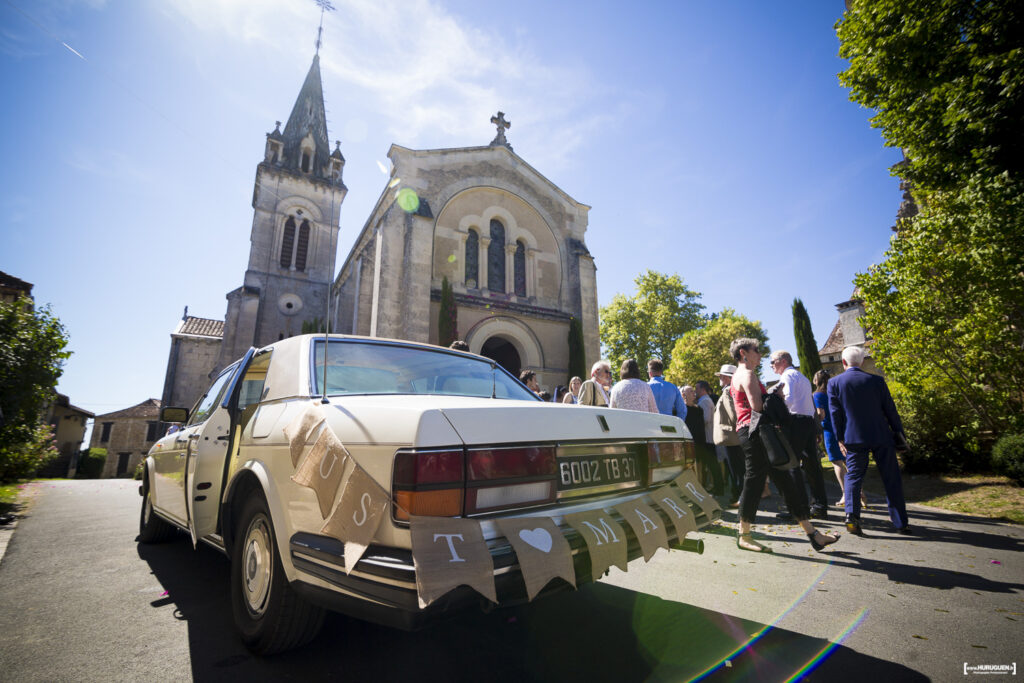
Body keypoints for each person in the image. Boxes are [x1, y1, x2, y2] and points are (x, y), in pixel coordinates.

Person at [729, 338, 839, 553]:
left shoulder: (739, 374)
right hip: (755, 432)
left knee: (785, 482)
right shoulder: (748, 374)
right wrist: (774, 395)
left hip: (751, 431)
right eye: (756, 351)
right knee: (754, 481)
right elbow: (758, 407)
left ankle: (813, 534)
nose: (760, 355)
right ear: (744, 352)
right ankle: (744, 535)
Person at [828, 346, 911, 536]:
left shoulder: (835, 383)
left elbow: (836, 414)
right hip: (881, 435)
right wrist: (900, 435)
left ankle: (851, 516)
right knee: (891, 478)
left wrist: (839, 438)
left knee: (854, 477)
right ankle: (901, 522)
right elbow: (890, 410)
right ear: (863, 361)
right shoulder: (877, 381)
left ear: (843, 362)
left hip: (853, 437)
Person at [769, 350, 829, 519]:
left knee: (791, 466)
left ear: (783, 361)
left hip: (795, 423)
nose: (771, 366)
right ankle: (820, 506)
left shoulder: (787, 377)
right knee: (812, 467)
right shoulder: (801, 377)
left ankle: (798, 509)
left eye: (773, 362)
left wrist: (775, 407)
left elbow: (788, 400)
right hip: (808, 423)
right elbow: (808, 405)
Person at [813, 369, 867, 509]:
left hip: (830, 431)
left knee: (837, 462)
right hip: (843, 428)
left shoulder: (817, 395)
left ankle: (845, 494)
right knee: (848, 461)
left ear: (816, 380)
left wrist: (816, 425)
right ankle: (860, 492)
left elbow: (821, 414)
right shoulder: (835, 391)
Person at [712, 367, 746, 506]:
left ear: (727, 378)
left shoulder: (727, 390)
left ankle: (738, 497)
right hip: (735, 435)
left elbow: (733, 413)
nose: (720, 379)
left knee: (735, 470)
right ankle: (739, 496)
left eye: (721, 376)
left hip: (732, 436)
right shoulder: (733, 389)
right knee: (738, 469)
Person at [683, 384, 724, 495]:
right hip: (692, 443)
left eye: (694, 390)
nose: (694, 392)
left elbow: (704, 423)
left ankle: (708, 490)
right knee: (695, 469)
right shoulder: (682, 410)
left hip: (703, 442)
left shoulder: (699, 408)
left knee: (705, 467)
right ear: (683, 395)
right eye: (690, 391)